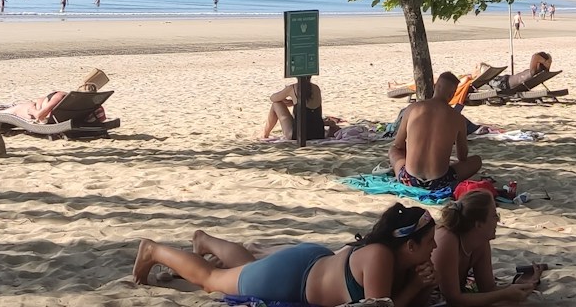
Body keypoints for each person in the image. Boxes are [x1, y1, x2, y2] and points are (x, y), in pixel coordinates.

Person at [131, 202, 439, 307]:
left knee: (248, 268)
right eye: (430, 243)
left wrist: (421, 286)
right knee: (212, 279)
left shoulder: (400, 261)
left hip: (311, 264)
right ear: (409, 245)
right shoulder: (380, 257)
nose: (435, 248)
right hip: (294, 278)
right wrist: (413, 287)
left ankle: (204, 240)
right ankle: (153, 249)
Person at [432, 189, 542, 306]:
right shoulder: (447, 241)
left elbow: (488, 288)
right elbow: (453, 299)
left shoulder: (480, 240)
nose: (498, 220)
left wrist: (521, 286)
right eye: (494, 215)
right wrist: (505, 294)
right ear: (478, 224)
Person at [391, 73, 482, 187]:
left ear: (435, 87)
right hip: (440, 182)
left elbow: (398, 145)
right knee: (476, 161)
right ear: (452, 94)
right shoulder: (458, 118)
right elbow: (462, 157)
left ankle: (408, 167)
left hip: (409, 179)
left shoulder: (412, 108)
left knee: (393, 150)